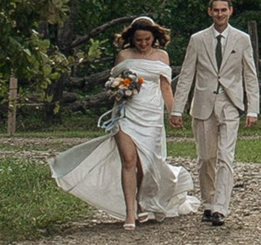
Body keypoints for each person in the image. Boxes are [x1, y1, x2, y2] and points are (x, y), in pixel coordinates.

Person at [48, 17, 198, 227]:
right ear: (131, 39)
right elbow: (114, 84)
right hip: (126, 114)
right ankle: (130, 212)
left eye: (147, 39)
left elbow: (165, 87)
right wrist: (119, 90)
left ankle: (141, 202)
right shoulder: (123, 56)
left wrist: (174, 113)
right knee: (128, 161)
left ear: (154, 38)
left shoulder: (162, 56)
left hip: (151, 116)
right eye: (138, 40)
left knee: (146, 165)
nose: (143, 43)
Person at [170, 0, 261, 226]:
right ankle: (209, 203)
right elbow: (187, 74)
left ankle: (221, 207)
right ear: (210, 12)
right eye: (216, 10)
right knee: (206, 158)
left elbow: (250, 75)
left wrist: (253, 109)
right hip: (202, 103)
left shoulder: (242, 39)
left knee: (226, 157)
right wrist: (177, 109)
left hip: (230, 103)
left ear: (231, 11)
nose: (220, 14)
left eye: (224, 9)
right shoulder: (197, 39)